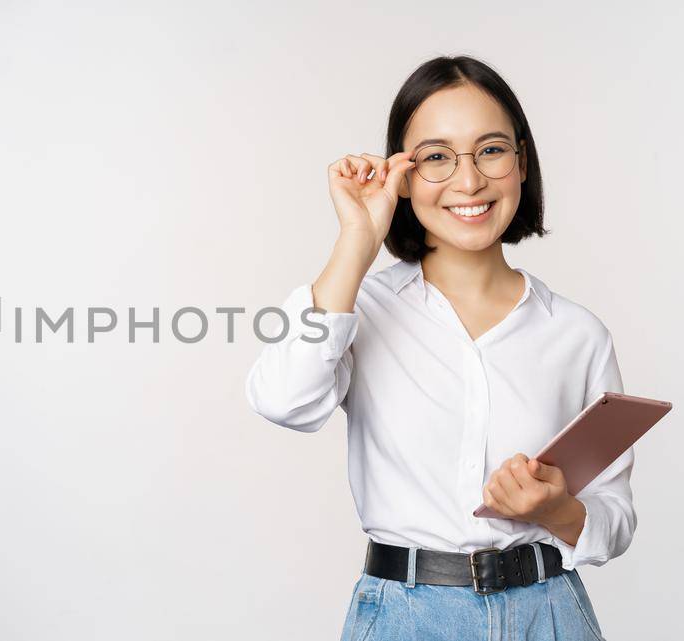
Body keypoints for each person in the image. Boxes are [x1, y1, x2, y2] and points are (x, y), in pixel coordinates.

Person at [245, 56, 631, 641]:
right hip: (406, 616)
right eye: (436, 157)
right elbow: (283, 400)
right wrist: (358, 239)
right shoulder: (360, 305)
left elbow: (615, 517)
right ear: (402, 175)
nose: (469, 180)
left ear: (521, 162)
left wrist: (554, 511)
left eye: (492, 150)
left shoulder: (577, 334)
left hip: (549, 615)